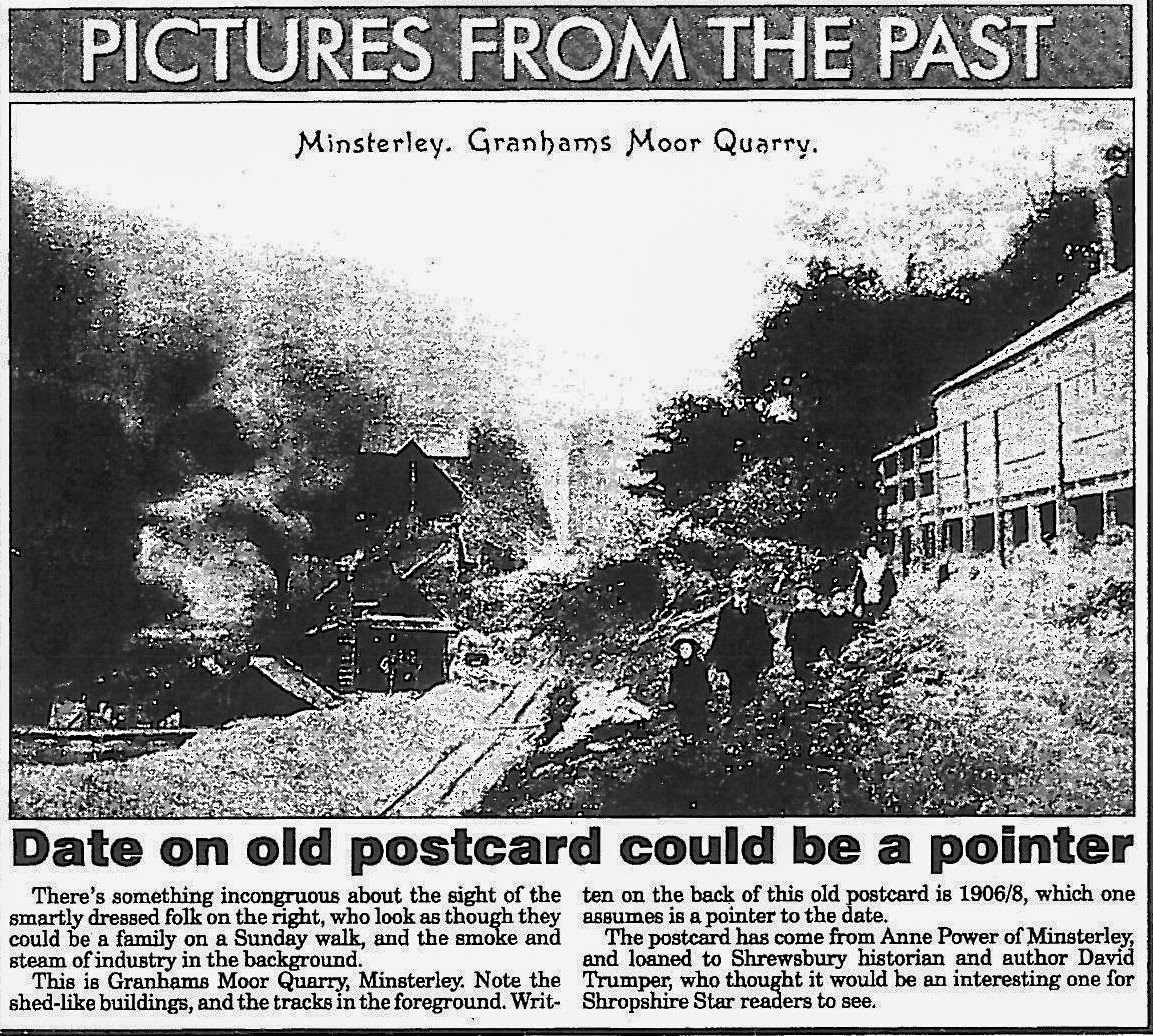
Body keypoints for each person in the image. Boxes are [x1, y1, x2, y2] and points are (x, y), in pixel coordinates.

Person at [706, 569, 775, 719]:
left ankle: (752, 722)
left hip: (752, 660)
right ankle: (737, 722)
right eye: (735, 581)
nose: (739, 584)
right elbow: (721, 636)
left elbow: (764, 636)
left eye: (742, 580)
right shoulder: (726, 610)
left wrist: (766, 660)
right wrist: (713, 659)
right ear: (731, 585)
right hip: (734, 660)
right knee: (736, 691)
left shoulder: (757, 610)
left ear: (748, 584)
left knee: (752, 690)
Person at [667, 636, 711, 740]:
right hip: (682, 698)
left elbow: (704, 683)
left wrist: (706, 696)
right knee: (684, 717)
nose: (684, 651)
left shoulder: (699, 666)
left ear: (692, 650)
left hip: (697, 698)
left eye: (687, 649)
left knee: (698, 716)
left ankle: (700, 737)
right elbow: (673, 685)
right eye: (682, 649)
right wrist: (672, 699)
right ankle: (687, 736)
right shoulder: (676, 668)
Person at [785, 584, 825, 686]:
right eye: (802, 595)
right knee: (800, 663)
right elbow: (790, 630)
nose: (805, 597)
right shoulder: (796, 614)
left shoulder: (816, 613)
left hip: (813, 643)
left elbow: (822, 629)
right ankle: (801, 681)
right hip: (799, 645)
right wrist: (789, 643)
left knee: (813, 662)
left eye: (807, 594)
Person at [853, 543, 898, 623]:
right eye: (869, 553)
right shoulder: (865, 566)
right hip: (867, 599)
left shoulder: (883, 568)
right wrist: (859, 604)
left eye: (874, 552)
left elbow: (890, 589)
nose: (872, 555)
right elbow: (859, 587)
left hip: (881, 602)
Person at [824, 588, 855, 660]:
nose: (840, 601)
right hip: (833, 638)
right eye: (838, 599)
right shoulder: (829, 615)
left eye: (842, 599)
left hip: (846, 637)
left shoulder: (848, 614)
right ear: (831, 599)